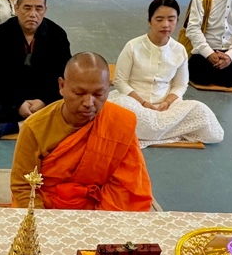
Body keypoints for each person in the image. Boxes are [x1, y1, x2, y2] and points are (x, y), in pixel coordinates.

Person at [10, 53, 153, 211]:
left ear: (108, 88)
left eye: (98, 94)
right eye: (79, 93)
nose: (89, 103)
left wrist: (101, 220)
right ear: (62, 86)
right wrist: (43, 220)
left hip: (99, 207)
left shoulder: (118, 122)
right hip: (47, 207)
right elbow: (23, 186)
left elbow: (125, 186)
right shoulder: (35, 127)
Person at [110, 0, 224, 145]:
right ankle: (163, 131)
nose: (165, 24)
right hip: (133, 102)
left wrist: (167, 102)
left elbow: (180, 85)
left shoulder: (179, 50)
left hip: (166, 107)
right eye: (159, 19)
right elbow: (120, 82)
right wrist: (143, 103)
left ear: (177, 21)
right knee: (119, 109)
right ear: (149, 21)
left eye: (171, 19)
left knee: (201, 112)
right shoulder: (132, 46)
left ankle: (149, 131)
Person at [0, 0, 71, 138]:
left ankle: (19, 125)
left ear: (45, 10)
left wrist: (43, 100)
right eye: (27, 8)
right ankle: (41, 121)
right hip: (13, 94)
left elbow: (65, 75)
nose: (33, 14)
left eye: (38, 8)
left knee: (72, 103)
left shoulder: (57, 35)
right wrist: (18, 103)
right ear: (16, 8)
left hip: (44, 95)